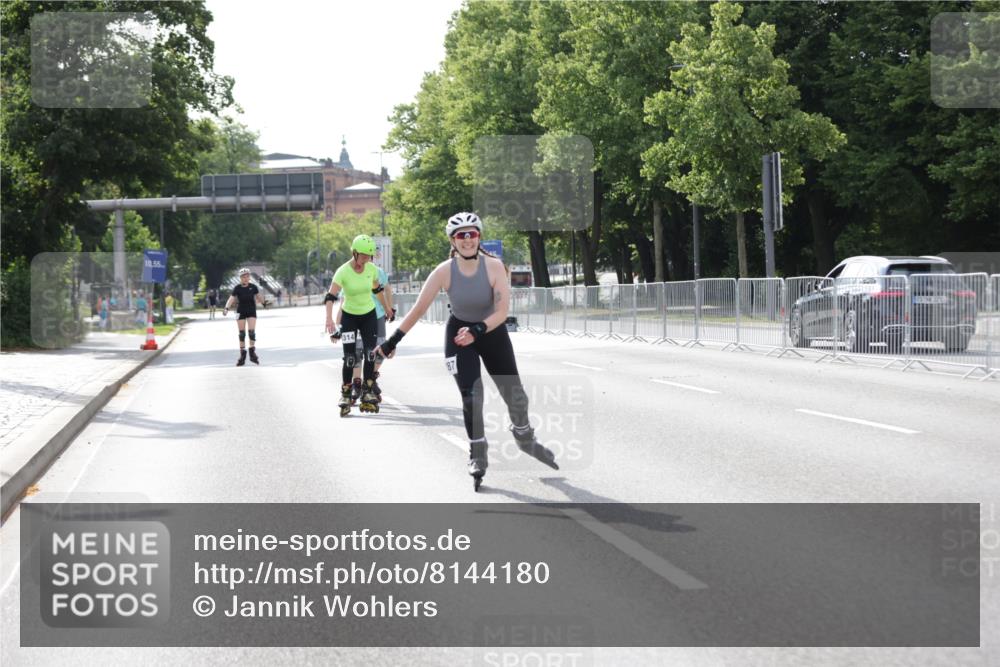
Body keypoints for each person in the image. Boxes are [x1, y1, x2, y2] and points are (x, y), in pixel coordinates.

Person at [377, 212, 558, 491]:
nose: (467, 240)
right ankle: (477, 452)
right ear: (452, 241)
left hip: (491, 332)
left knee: (515, 395)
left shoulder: (495, 267)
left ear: (479, 236)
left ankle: (523, 434)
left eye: (471, 234)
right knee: (472, 396)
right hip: (459, 336)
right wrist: (392, 342)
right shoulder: (443, 272)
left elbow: (502, 312)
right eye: (460, 235)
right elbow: (419, 309)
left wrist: (478, 330)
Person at [325, 235, 388, 416]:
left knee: (370, 353)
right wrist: (329, 319)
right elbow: (330, 296)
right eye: (363, 256)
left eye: (369, 256)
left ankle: (367, 391)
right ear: (354, 253)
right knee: (350, 357)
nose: (366, 259)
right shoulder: (343, 271)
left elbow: (378, 290)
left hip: (368, 315)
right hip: (349, 317)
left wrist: (387, 309)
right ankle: (346, 393)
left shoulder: (372, 269)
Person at [334, 258, 396, 404]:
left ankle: (370, 379)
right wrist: (338, 324)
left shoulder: (378, 272)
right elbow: (343, 300)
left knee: (379, 350)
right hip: (354, 316)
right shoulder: (349, 272)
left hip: (376, 315)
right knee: (356, 352)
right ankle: (357, 383)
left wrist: (389, 309)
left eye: (367, 257)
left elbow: (387, 289)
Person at [223, 268, 265, 366]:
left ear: (249, 277)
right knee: (242, 334)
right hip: (240, 311)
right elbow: (231, 299)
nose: (245, 278)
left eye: (247, 276)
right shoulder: (237, 288)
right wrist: (226, 308)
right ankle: (242, 355)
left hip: (251, 311)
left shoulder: (253, 287)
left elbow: (259, 297)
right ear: (240, 278)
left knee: (251, 332)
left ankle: (252, 352)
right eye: (243, 277)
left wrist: (265, 304)